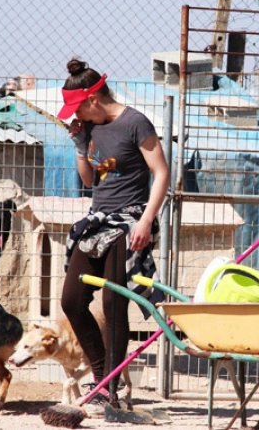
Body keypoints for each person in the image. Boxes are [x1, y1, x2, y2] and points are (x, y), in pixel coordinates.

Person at [58, 58, 169, 409]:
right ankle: (101, 372)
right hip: (98, 221)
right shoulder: (92, 129)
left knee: (113, 303)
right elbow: (90, 181)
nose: (78, 116)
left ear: (92, 99)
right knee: (72, 300)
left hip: (129, 221)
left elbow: (162, 173)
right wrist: (80, 146)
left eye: (79, 109)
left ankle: (110, 386)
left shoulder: (135, 123)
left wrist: (146, 221)